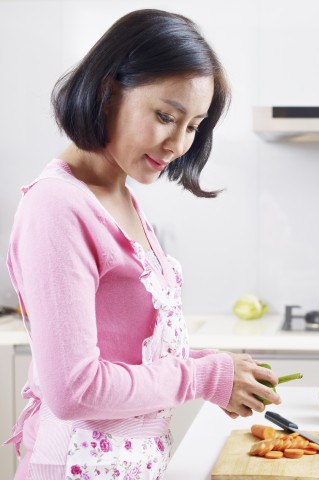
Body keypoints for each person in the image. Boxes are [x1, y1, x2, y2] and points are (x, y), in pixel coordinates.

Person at [4, 9, 281, 479]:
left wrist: (216, 367)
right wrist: (201, 377)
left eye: (193, 125)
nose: (178, 143)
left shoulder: (121, 196)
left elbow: (125, 355)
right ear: (108, 91)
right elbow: (74, 389)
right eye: (165, 116)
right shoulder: (56, 205)